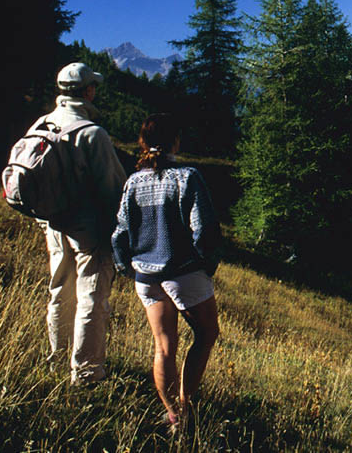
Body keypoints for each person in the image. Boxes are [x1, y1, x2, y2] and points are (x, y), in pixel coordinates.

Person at [112, 113, 221, 430]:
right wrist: (205, 264)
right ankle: (188, 407)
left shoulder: (134, 182)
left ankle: (173, 415)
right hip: (183, 271)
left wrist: (127, 269)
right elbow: (205, 229)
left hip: (146, 276)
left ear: (143, 143)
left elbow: (120, 233)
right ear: (176, 141)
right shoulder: (187, 177)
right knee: (206, 334)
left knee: (163, 348)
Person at [34, 62, 128, 385]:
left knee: (60, 291)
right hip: (89, 231)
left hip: (53, 224)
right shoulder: (93, 134)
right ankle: (86, 374)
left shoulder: (41, 125)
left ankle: (55, 360)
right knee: (90, 297)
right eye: (94, 87)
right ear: (87, 91)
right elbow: (114, 187)